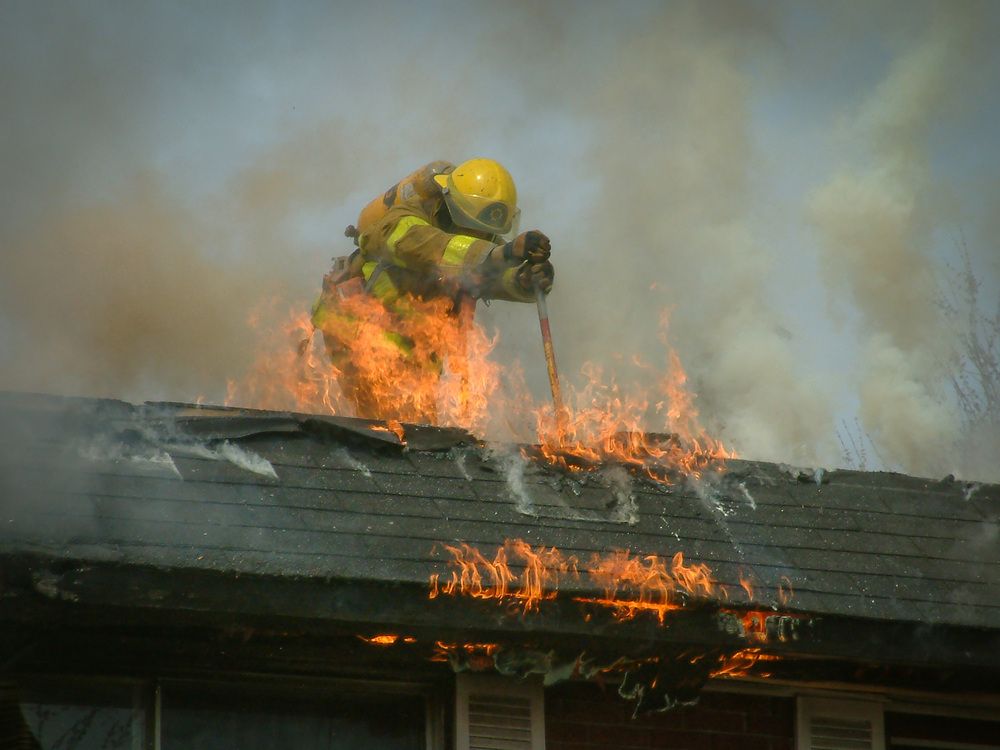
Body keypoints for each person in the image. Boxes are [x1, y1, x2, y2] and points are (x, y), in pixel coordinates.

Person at [311, 158, 554, 421]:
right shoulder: (401, 223)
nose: (480, 238)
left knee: (417, 437)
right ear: (451, 210)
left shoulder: (478, 243)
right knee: (377, 434)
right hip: (356, 336)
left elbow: (484, 273)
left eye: (487, 235)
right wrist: (503, 252)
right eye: (473, 229)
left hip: (418, 357)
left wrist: (523, 279)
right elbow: (433, 249)